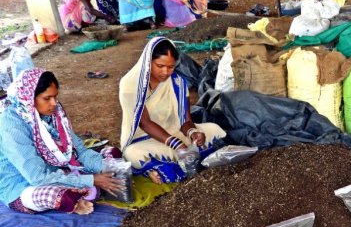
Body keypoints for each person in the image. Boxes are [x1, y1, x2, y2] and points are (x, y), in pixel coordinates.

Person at [0, 69, 124, 214]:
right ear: (28, 98)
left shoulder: (54, 113)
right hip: (21, 183)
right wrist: (91, 180)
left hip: (56, 170)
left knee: (113, 165)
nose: (54, 103)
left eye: (55, 97)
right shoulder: (12, 125)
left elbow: (78, 151)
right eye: (47, 98)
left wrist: (108, 169)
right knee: (58, 197)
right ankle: (72, 197)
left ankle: (80, 193)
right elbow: (37, 177)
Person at [120, 37, 225, 184]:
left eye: (170, 67)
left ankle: (174, 166)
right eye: (160, 66)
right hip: (146, 139)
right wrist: (178, 145)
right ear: (148, 61)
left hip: (176, 133)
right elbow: (145, 123)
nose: (165, 72)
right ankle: (189, 161)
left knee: (215, 129)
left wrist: (193, 133)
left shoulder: (178, 83)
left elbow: (186, 120)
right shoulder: (130, 84)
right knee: (133, 154)